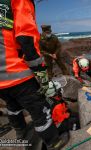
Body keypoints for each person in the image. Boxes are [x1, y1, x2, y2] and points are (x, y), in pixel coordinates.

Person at [0, 0, 69, 149]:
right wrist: (42, 78)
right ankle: (54, 142)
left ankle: (20, 132)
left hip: (1, 80)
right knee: (40, 110)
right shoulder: (20, 1)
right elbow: (26, 39)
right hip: (16, 73)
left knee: (12, 105)